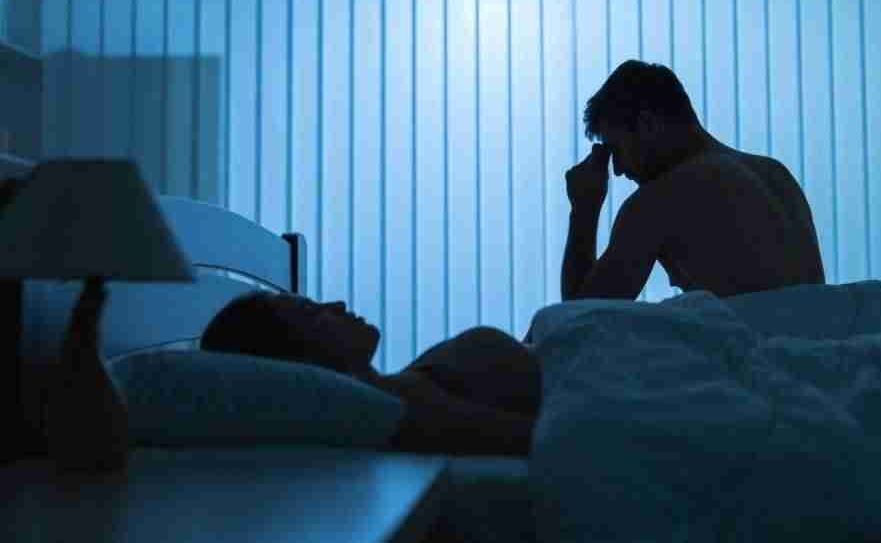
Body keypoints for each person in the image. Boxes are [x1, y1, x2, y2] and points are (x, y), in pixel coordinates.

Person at [562, 59, 825, 302]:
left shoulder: (660, 200)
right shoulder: (776, 174)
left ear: (647, 124)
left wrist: (584, 210)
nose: (617, 170)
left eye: (616, 149)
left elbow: (578, 324)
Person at [200, 291, 541, 457]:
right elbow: (550, 434)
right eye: (314, 313)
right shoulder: (410, 406)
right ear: (300, 361)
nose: (336, 305)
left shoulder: (406, 386)